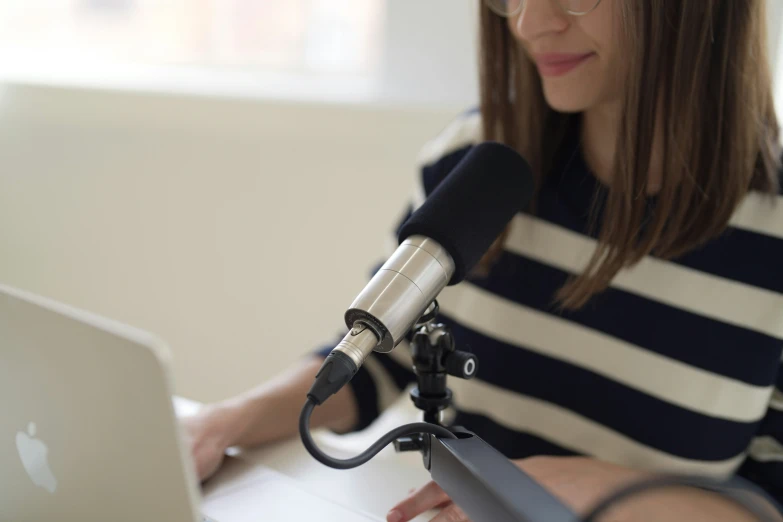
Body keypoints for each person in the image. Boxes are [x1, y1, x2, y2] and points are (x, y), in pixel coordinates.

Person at [183, 0, 783, 520]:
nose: (529, 23)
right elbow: (382, 357)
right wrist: (225, 423)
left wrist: (597, 491)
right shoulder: (473, 163)